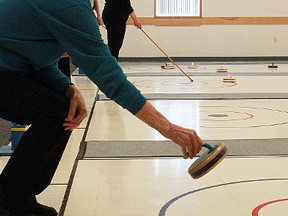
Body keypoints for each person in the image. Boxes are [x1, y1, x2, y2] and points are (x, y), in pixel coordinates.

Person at [0, 0, 203, 215]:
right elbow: (107, 74)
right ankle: (11, 200)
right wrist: (168, 129)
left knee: (63, 110)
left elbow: (35, 56)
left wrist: (68, 88)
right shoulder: (68, 5)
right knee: (56, 113)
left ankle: (14, 196)